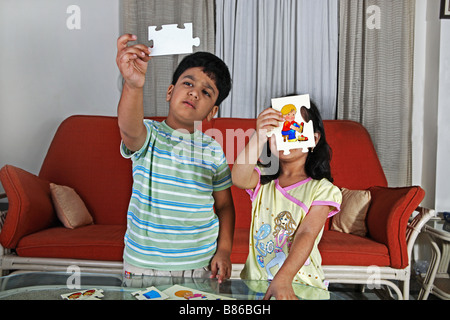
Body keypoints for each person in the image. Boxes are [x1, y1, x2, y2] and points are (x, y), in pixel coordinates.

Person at [116, 34, 235, 284]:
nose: (194, 94)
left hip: (199, 264)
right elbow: (129, 130)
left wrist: (224, 250)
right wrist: (133, 85)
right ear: (170, 92)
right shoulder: (149, 134)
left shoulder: (213, 149)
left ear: (213, 112)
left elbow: (224, 205)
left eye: (206, 92)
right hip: (143, 265)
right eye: (188, 84)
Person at [232, 101, 341, 300]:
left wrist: (284, 279)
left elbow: (307, 233)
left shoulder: (323, 189)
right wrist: (259, 135)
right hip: (257, 285)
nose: (286, 136)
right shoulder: (262, 180)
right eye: (277, 130)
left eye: (294, 129)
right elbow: (238, 178)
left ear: (314, 139)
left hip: (301, 287)